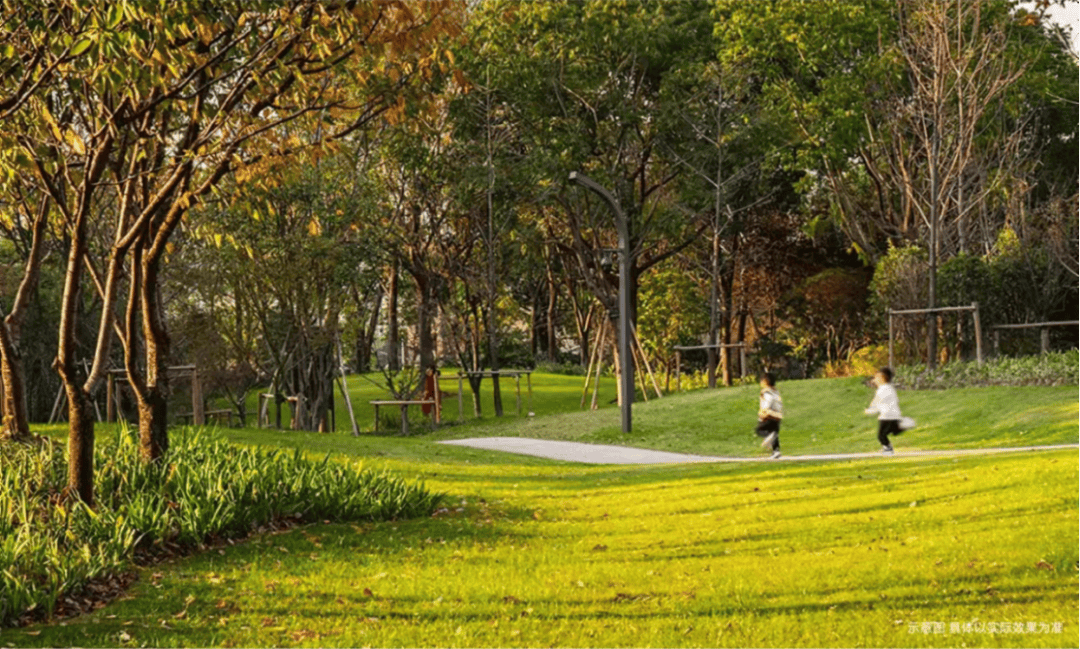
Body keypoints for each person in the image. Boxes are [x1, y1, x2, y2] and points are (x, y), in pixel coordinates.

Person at [865, 366, 903, 455]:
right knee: (887, 432)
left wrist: (870, 410)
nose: (875, 380)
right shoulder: (889, 388)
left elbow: (877, 403)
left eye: (877, 378)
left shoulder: (882, 390)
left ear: (882, 378)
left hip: (886, 416)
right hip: (893, 415)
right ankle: (898, 428)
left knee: (881, 435)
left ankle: (888, 449)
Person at [755, 372, 783, 459]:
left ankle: (769, 436)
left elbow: (767, 403)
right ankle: (776, 451)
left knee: (759, 430)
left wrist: (764, 412)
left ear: (765, 382)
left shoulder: (766, 392)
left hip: (769, 415)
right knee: (774, 433)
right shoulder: (776, 391)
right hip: (777, 416)